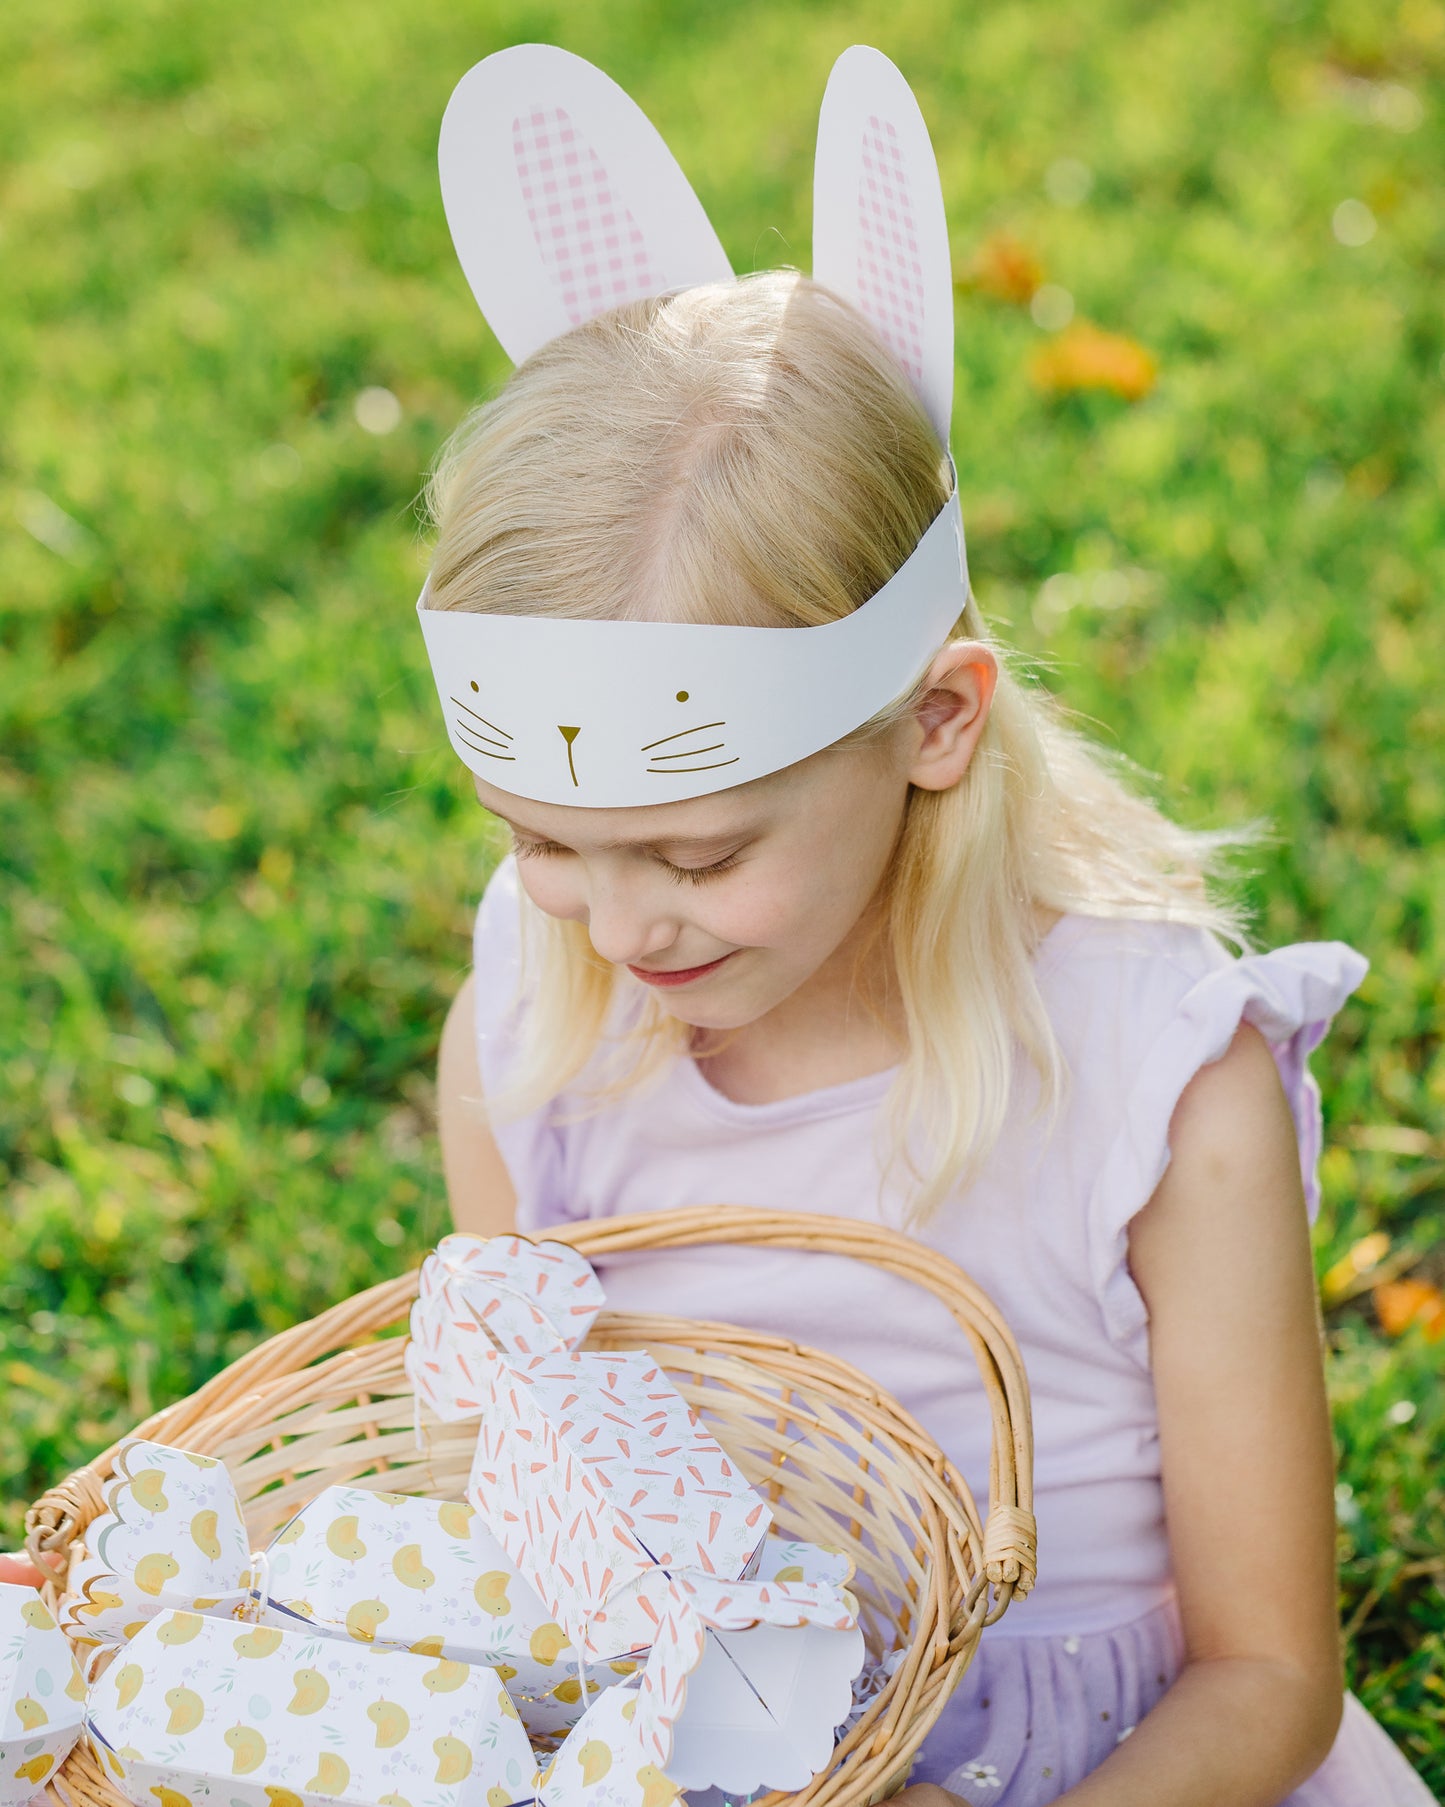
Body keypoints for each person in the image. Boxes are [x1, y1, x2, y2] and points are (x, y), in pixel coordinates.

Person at [416, 44, 1431, 1807]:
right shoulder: (535, 1008)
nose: (616, 921)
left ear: (934, 724)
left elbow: (1265, 1671)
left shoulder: (1153, 1081)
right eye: (543, 842)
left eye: (700, 851)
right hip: (687, 1754)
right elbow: (518, 1505)